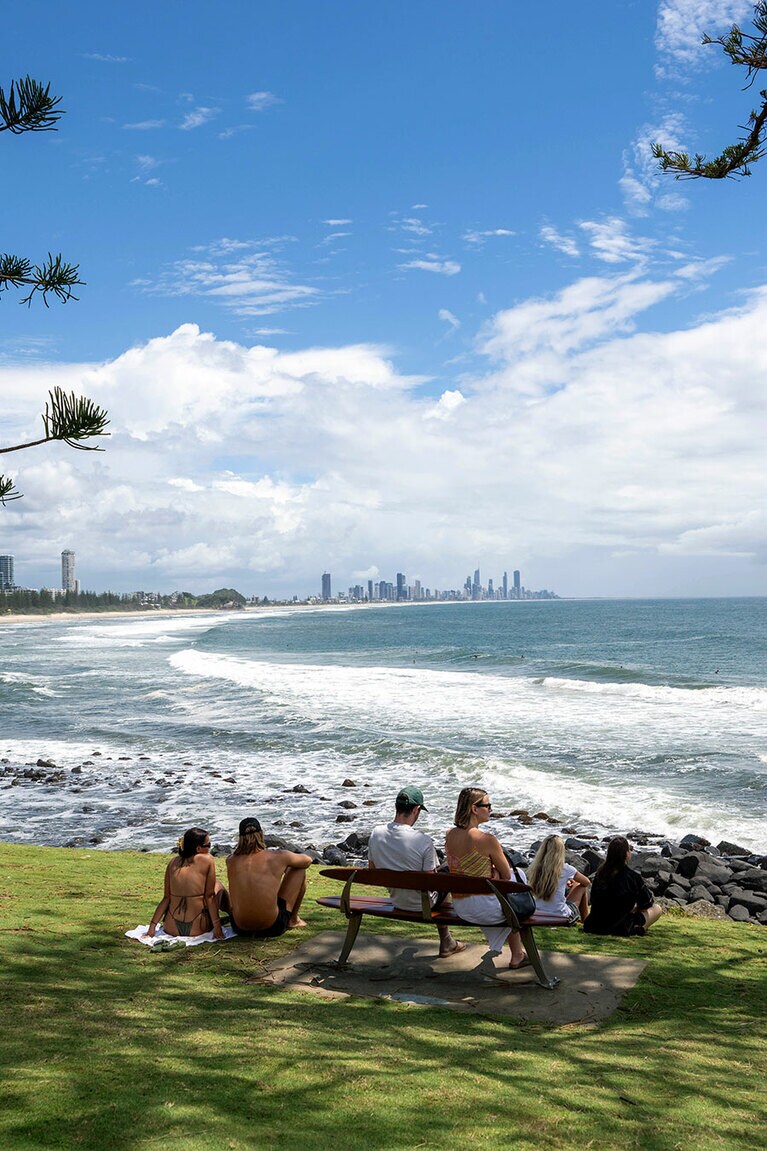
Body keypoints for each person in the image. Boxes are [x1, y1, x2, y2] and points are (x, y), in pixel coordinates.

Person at [368, 785, 465, 958]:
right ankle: (446, 941)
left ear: (396, 807)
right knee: (448, 872)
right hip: (423, 905)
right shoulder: (423, 840)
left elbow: (372, 871)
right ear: (416, 809)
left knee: (442, 870)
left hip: (397, 900)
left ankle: (448, 941)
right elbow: (431, 882)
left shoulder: (376, 833)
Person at [445, 786, 529, 969]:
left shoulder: (449, 835)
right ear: (474, 809)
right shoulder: (487, 839)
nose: (490, 809)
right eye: (487, 805)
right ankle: (517, 954)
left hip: (461, 906)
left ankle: (517, 954)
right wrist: (495, 873)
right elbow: (507, 875)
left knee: (503, 894)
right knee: (518, 877)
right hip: (484, 909)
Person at [226, 816, 312, 938]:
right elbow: (307, 861)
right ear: (261, 834)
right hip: (271, 926)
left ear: (240, 838)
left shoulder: (230, 860)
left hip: (240, 927)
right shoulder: (278, 856)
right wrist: (285, 866)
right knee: (298, 869)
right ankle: (293, 920)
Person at [145, 826, 226, 939]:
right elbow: (210, 897)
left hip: (171, 927)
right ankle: (235, 917)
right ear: (198, 849)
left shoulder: (172, 862)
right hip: (197, 927)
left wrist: (151, 929)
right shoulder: (207, 859)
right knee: (218, 886)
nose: (209, 848)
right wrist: (217, 928)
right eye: (208, 845)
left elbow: (166, 898)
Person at [583, 836, 664, 936]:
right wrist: (633, 908)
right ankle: (640, 929)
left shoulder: (599, 875)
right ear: (627, 854)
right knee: (657, 909)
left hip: (594, 924)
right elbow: (646, 905)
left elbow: (594, 900)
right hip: (619, 927)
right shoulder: (633, 877)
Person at [527, 834, 590, 924]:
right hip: (561, 916)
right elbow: (586, 882)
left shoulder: (534, 867)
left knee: (574, 884)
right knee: (581, 887)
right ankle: (585, 922)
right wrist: (572, 881)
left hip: (538, 914)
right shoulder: (565, 868)